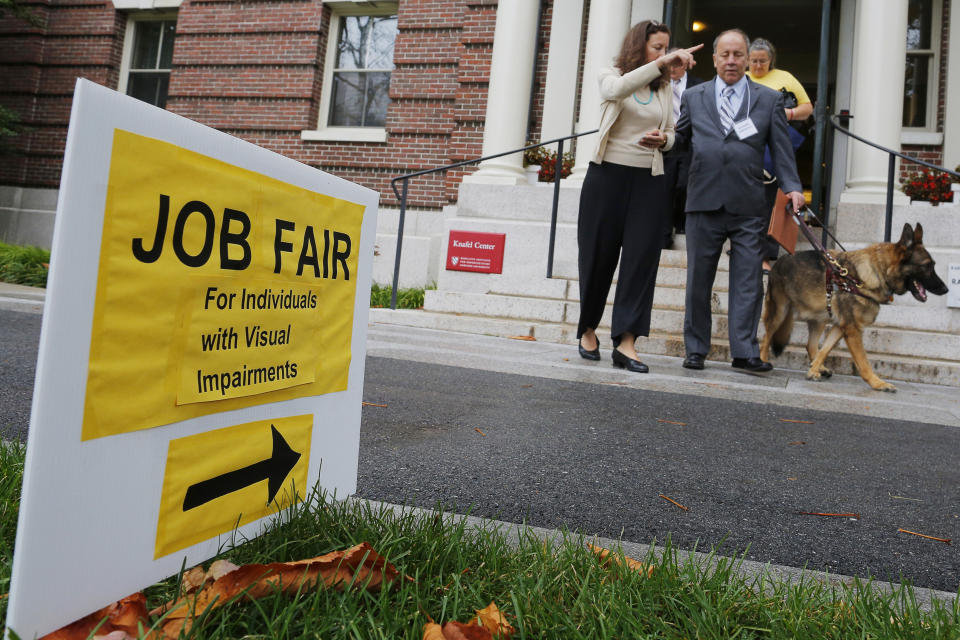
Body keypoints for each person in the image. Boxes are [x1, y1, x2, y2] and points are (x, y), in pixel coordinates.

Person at [674, 28, 804, 374]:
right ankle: (696, 349)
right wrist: (663, 142)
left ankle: (744, 352)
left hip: (749, 204)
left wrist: (792, 187)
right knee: (698, 281)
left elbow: (781, 149)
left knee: (748, 281)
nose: (731, 61)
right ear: (714, 59)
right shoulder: (694, 96)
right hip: (703, 201)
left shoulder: (768, 99)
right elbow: (680, 139)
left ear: (748, 60)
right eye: (725, 55)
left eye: (738, 55)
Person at [576, 20, 701, 373]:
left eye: (665, 48)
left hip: (649, 180)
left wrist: (665, 141)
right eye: (656, 47)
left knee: (641, 262)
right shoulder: (611, 73)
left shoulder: (664, 88)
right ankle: (588, 330)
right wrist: (661, 65)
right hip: (606, 177)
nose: (663, 54)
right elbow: (615, 91)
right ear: (639, 47)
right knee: (598, 257)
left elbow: (675, 134)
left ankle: (626, 342)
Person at [746, 37, 812, 272]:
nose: (757, 66)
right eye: (753, 61)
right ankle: (743, 248)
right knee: (746, 200)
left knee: (770, 201)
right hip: (746, 148)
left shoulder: (785, 78)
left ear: (771, 60)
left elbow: (808, 109)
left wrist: (789, 114)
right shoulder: (741, 79)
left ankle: (765, 254)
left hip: (773, 149)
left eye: (762, 61)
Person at [662, 50, 704, 250]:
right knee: (665, 185)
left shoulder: (699, 86)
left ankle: (680, 222)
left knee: (683, 184)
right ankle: (664, 233)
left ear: (685, 65)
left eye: (677, 65)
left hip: (689, 143)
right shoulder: (659, 83)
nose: (672, 69)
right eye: (670, 64)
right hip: (666, 142)